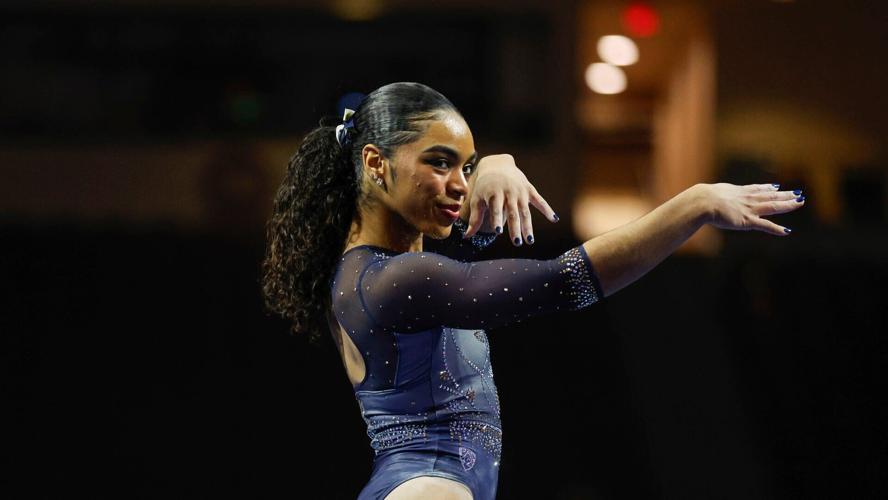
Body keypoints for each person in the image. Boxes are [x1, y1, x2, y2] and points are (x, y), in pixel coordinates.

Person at [260, 82, 805, 500]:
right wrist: (696, 204)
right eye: (439, 162)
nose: (460, 185)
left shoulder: (383, 271)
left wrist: (499, 161)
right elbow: (563, 282)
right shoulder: (395, 281)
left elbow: (472, 245)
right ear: (376, 163)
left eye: (465, 166)